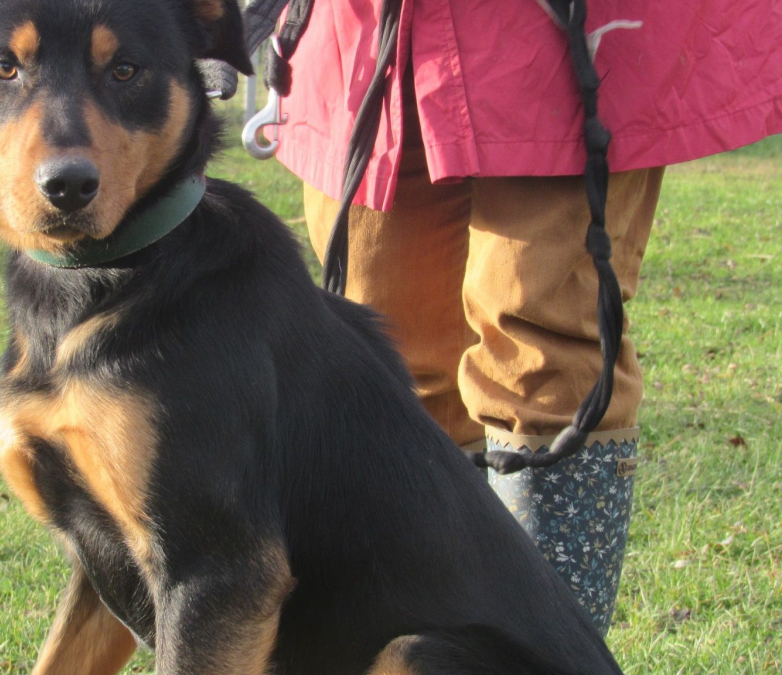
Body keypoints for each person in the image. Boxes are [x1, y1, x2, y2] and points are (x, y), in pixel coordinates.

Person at [231, 0, 782, 634]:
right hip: (367, 27)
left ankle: (541, 654)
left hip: (561, 29)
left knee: (541, 351)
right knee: (381, 355)